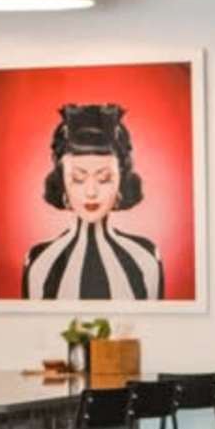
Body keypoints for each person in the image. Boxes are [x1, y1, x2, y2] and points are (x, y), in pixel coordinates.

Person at [21, 100, 168, 300]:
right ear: (62, 180)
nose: (91, 192)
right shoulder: (39, 260)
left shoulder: (146, 258)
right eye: (78, 179)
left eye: (104, 178)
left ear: (121, 181)